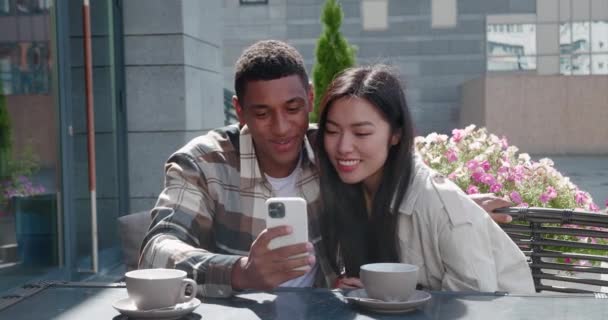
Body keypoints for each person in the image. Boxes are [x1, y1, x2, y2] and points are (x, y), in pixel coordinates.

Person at [138, 40, 518, 298]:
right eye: (262, 113)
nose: (283, 127)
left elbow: (397, 168)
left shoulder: (331, 150)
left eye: (292, 108)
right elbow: (156, 251)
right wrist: (240, 272)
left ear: (310, 99)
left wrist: (456, 208)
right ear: (239, 111)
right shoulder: (203, 163)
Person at [315, 65, 534, 293]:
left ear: (396, 134)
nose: (343, 147)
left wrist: (389, 296)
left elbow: (474, 304)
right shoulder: (352, 192)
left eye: (361, 133)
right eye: (332, 131)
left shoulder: (440, 204)